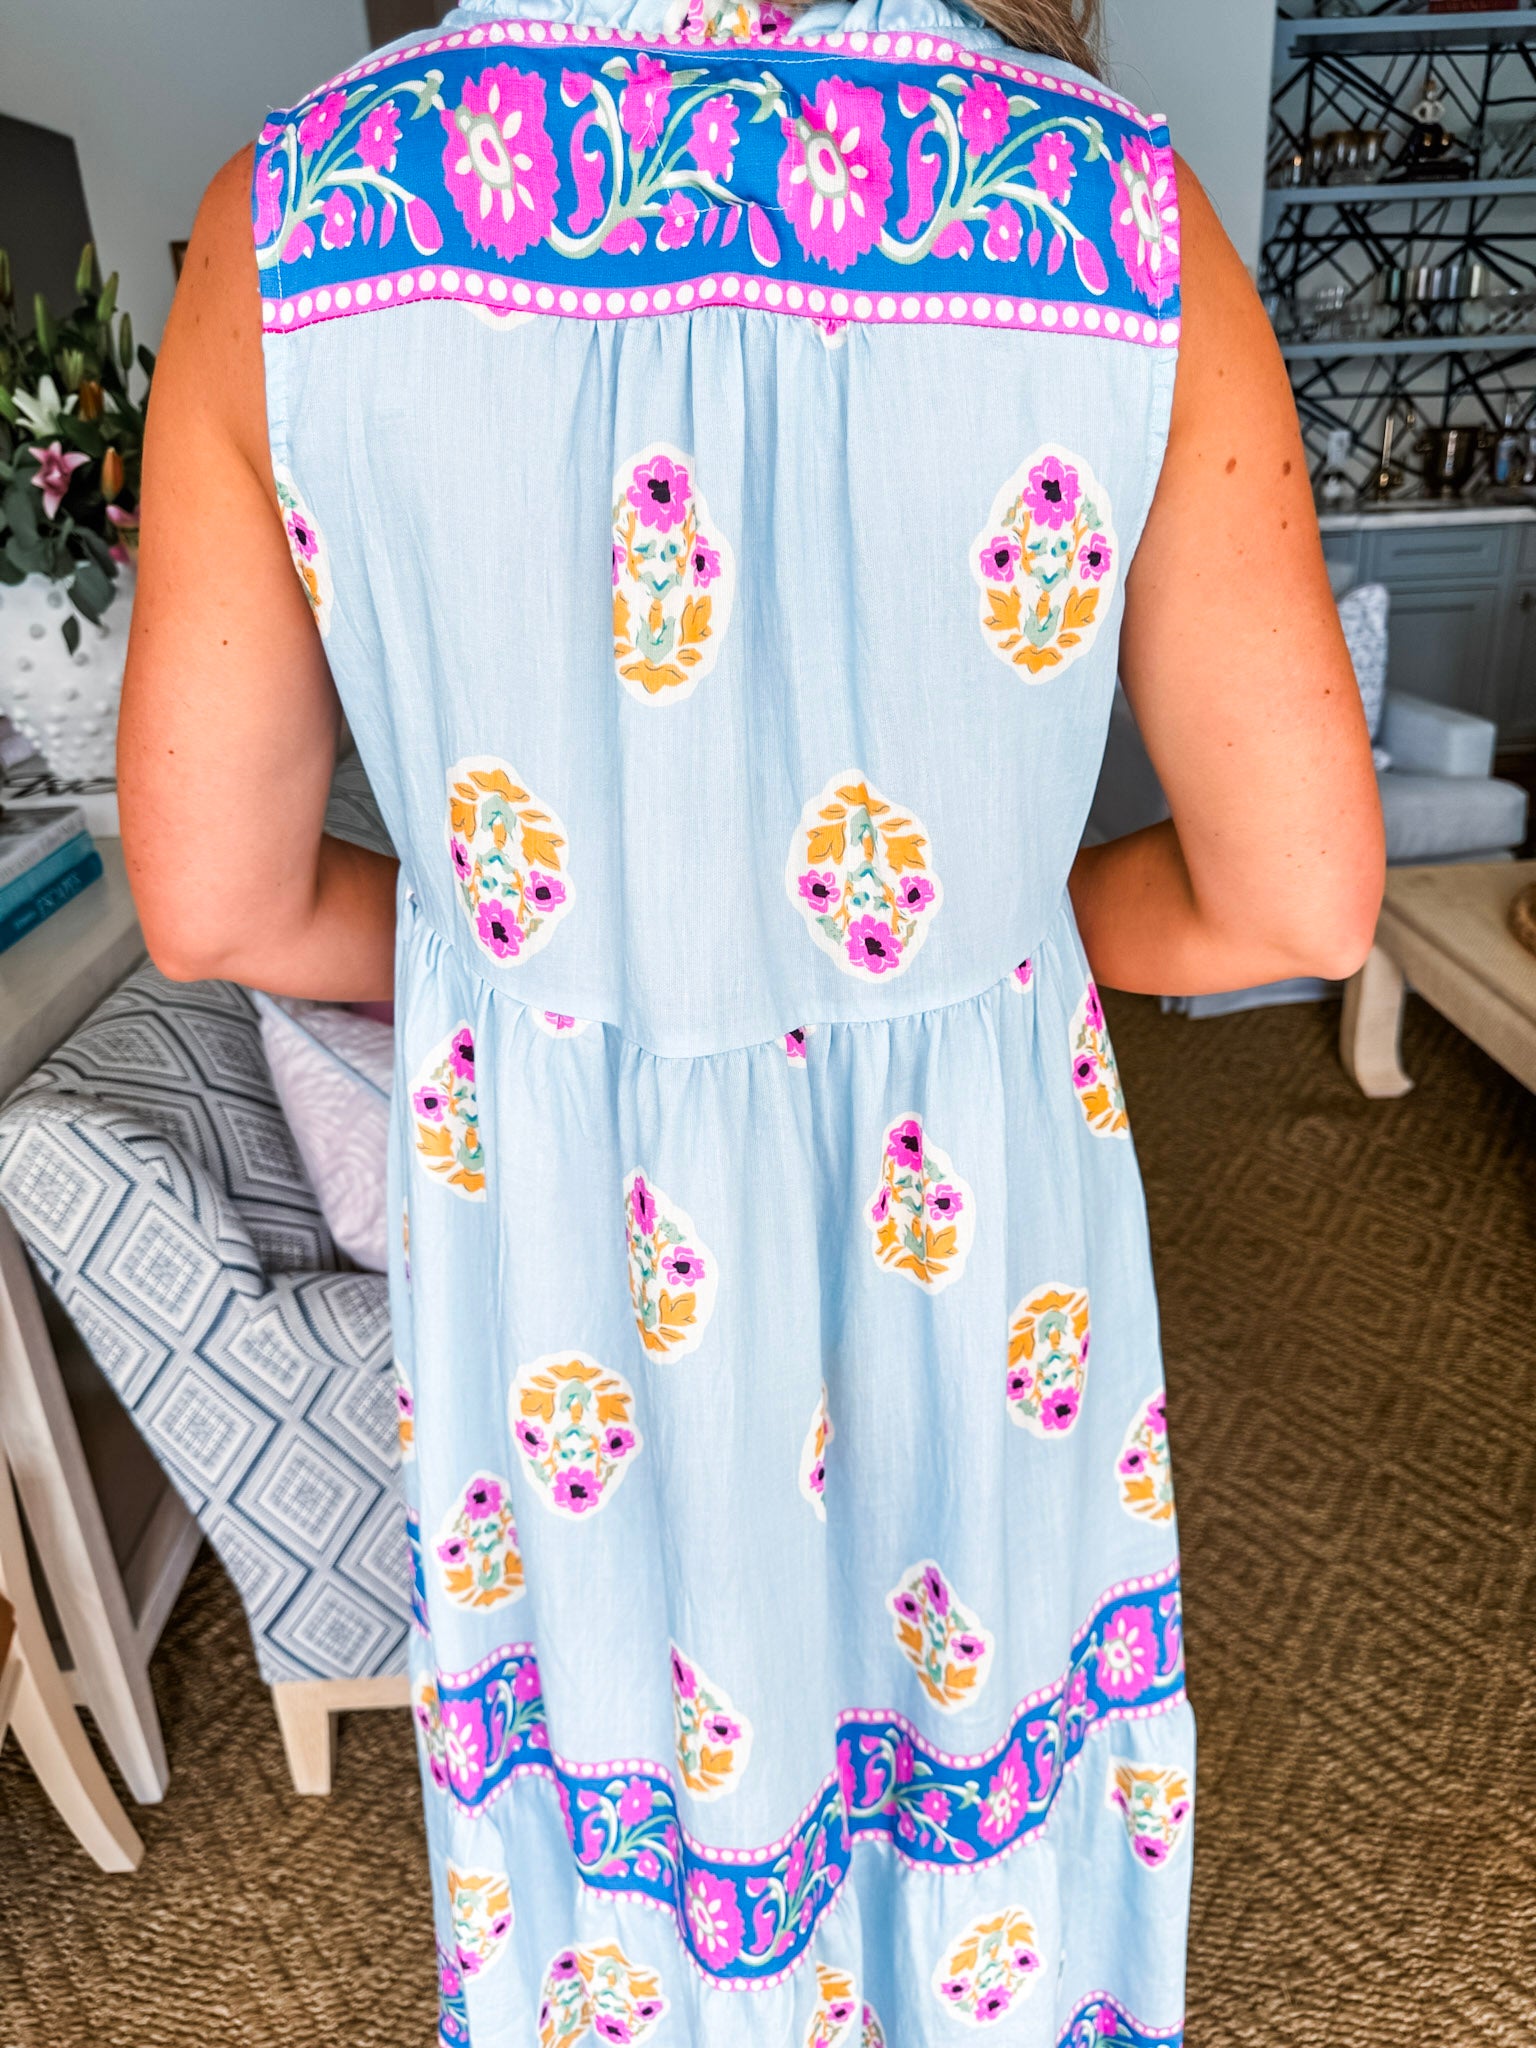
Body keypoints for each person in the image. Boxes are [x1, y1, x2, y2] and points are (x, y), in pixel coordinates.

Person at [118, 0, 1384, 2039]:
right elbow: (1298, 895)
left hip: (566, 1258)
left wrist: (537, 945)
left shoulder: (296, 230)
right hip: (967, 1223)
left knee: (620, 1807)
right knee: (977, 1753)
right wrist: (965, 934)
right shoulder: (1115, 216)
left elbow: (218, 900)